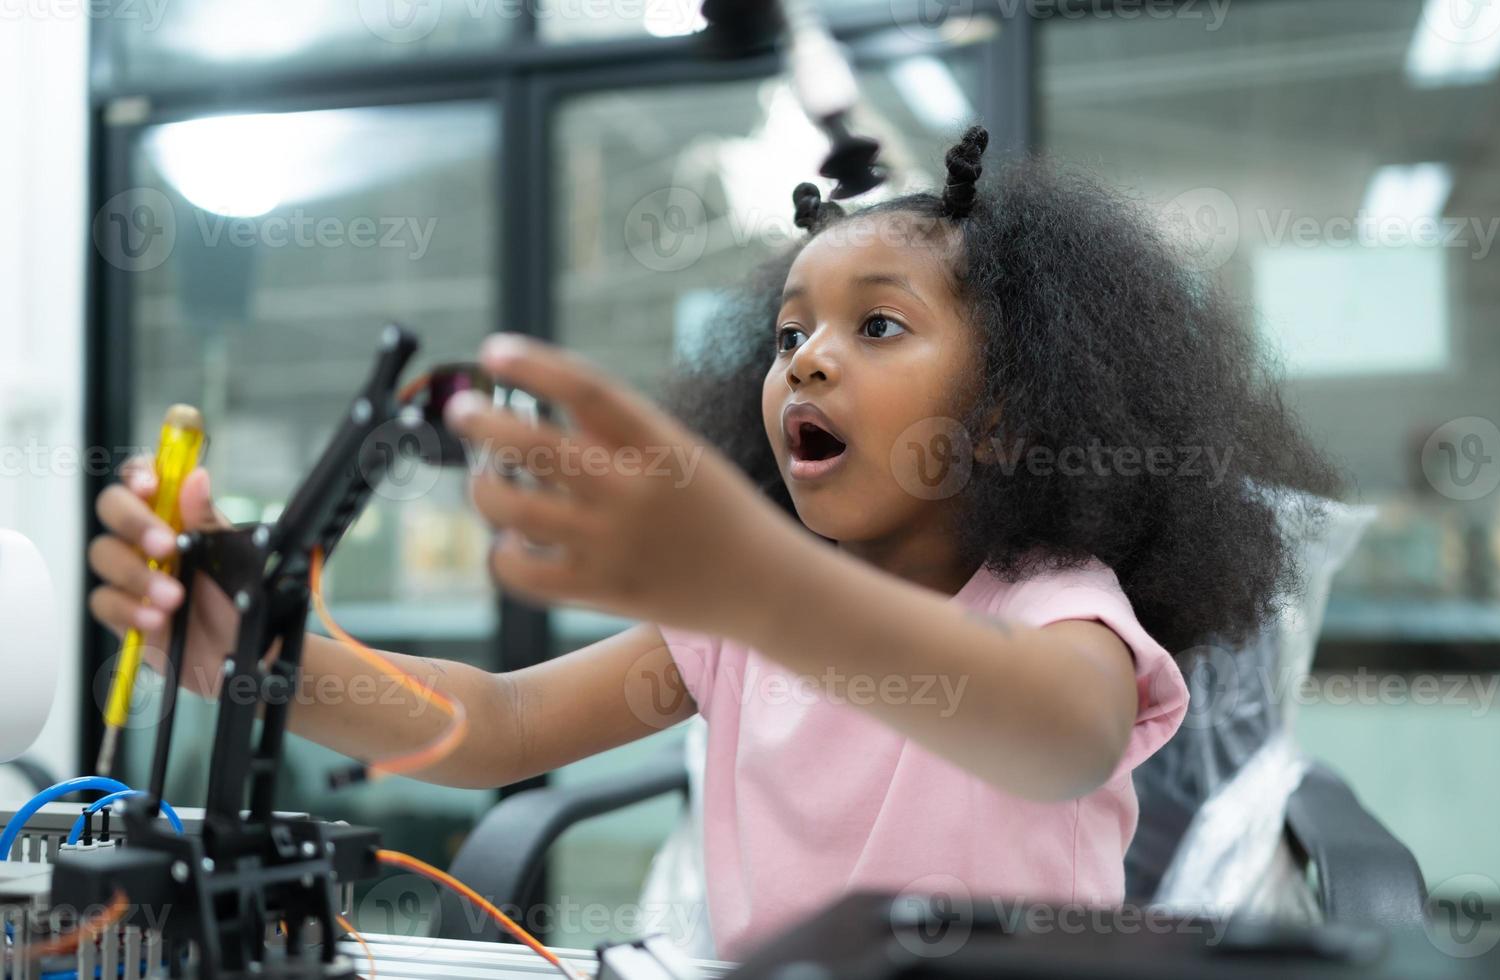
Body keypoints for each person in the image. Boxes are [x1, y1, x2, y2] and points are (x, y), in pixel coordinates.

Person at [87, 125, 1340, 960]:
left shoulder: (1055, 609)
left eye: (878, 326)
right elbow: (494, 726)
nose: (806, 357)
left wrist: (752, 580)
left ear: (1011, 412)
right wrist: (250, 653)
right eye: (788, 334)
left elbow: (1057, 738)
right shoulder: (734, 632)